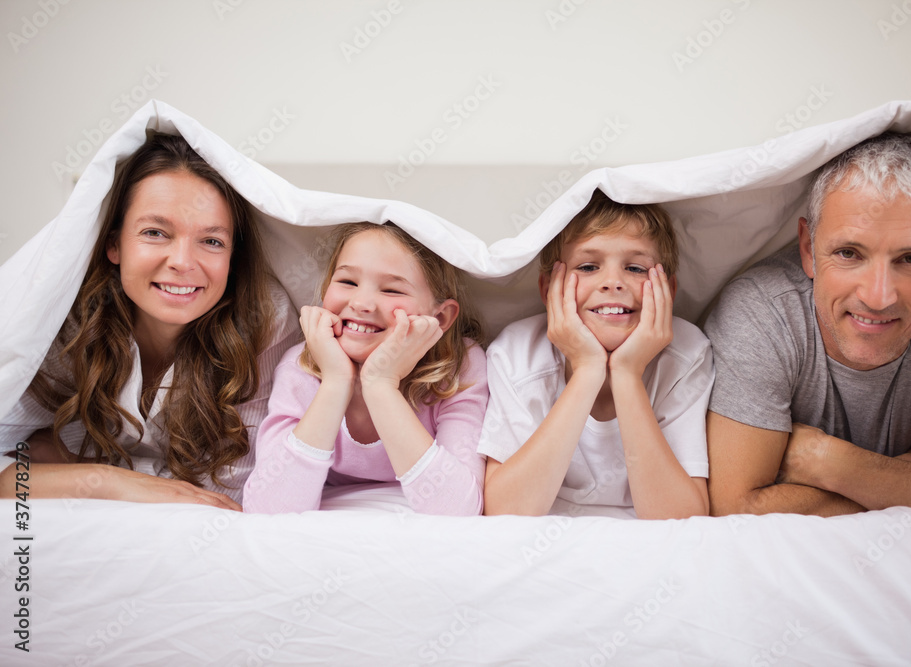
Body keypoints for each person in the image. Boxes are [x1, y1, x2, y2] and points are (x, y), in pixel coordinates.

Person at [705, 132, 911, 517]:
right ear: (809, 250)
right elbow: (737, 506)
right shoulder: (763, 314)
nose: (878, 298)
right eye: (849, 253)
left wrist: (832, 463)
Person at [0, 132, 297, 508]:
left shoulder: (265, 318)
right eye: (155, 233)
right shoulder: (70, 318)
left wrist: (70, 465)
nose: (182, 262)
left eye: (212, 241)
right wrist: (108, 482)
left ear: (232, 258)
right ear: (114, 244)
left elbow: (233, 489)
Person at [478, 190, 713, 519]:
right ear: (548, 289)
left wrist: (628, 374)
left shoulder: (687, 355)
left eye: (635, 268)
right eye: (588, 266)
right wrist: (588, 370)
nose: (613, 282)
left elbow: (681, 519)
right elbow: (506, 512)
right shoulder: (517, 354)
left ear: (668, 292)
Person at [242, 222, 488, 515]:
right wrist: (336, 381)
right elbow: (267, 509)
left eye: (392, 289)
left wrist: (381, 384)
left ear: (441, 317)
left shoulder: (459, 367)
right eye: (348, 282)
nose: (361, 303)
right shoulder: (301, 367)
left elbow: (458, 511)